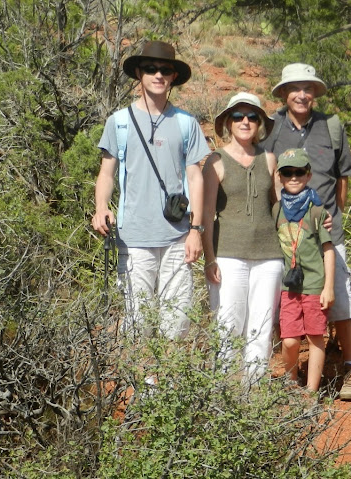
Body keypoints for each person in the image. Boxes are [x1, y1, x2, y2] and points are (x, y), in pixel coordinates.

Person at [92, 40, 210, 342]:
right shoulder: (118, 122)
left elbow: (196, 178)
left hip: (177, 238)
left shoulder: (186, 123)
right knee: (137, 324)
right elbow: (107, 173)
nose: (158, 75)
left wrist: (196, 230)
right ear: (139, 75)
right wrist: (101, 207)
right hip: (134, 239)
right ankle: (143, 388)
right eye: (150, 69)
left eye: (165, 70)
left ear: (173, 77)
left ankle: (169, 387)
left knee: (177, 324)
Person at [262, 63, 351, 400]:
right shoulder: (272, 127)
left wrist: (332, 214)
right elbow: (267, 173)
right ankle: (290, 374)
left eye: (308, 88)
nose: (302, 94)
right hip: (286, 237)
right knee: (287, 304)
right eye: (295, 88)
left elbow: (343, 176)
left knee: (342, 299)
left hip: (326, 233)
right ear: (283, 94)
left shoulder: (331, 126)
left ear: (315, 93)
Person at [201, 92, 284, 385]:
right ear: (228, 123)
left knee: (261, 329)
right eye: (238, 116)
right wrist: (209, 258)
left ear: (260, 123)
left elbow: (279, 207)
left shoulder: (269, 159)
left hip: (269, 257)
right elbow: (206, 214)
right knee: (227, 326)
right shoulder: (215, 161)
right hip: (228, 255)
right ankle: (223, 398)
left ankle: (253, 397)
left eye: (252, 116)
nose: (245, 121)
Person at [274, 148, 335, 393]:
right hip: (289, 287)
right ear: (280, 176)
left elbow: (328, 250)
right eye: (287, 172)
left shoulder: (317, 211)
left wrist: (328, 287)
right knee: (289, 340)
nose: (293, 177)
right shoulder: (276, 210)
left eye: (299, 172)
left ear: (308, 175)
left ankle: (310, 391)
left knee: (315, 336)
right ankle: (291, 381)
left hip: (314, 284)